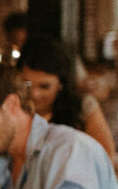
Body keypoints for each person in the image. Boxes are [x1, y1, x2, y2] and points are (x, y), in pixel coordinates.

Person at [19, 33, 117, 164]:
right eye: (27, 85)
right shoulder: (12, 109)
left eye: (44, 86)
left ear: (61, 84)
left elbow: (105, 155)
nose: (34, 94)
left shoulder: (82, 107)